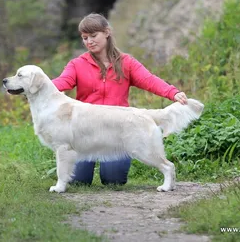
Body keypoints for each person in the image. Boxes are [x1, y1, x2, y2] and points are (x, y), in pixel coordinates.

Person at [52, 13, 188, 186]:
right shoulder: (77, 64)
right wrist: (36, 86)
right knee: (78, 181)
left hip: (117, 130)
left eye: (94, 36)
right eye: (85, 38)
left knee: (113, 180)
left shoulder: (127, 63)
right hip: (84, 131)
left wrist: (173, 93)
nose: (89, 41)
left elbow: (149, 80)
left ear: (107, 32)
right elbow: (62, 82)